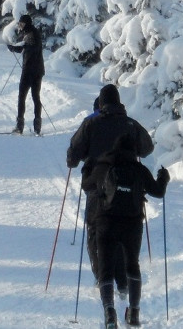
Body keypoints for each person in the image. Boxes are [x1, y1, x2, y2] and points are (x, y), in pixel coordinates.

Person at [66, 84, 155, 318]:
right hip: (128, 189)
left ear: (101, 103)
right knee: (125, 232)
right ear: (119, 102)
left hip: (97, 187)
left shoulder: (91, 124)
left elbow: (73, 155)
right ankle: (123, 282)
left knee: (97, 232)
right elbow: (147, 148)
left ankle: (101, 279)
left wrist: (76, 160)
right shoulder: (131, 125)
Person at [83, 135, 169, 328]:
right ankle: (134, 312)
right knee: (132, 265)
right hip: (132, 224)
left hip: (106, 222)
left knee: (105, 268)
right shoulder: (139, 169)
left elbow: (86, 186)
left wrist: (87, 169)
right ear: (134, 151)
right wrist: (164, 178)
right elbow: (158, 192)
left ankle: (109, 313)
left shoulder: (104, 166)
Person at [7, 14, 45, 134]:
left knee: (26, 97)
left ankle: (25, 126)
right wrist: (13, 48)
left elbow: (33, 48)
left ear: (26, 23)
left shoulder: (33, 33)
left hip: (32, 71)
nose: (20, 25)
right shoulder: (29, 33)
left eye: (22, 23)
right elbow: (25, 47)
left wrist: (20, 47)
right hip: (35, 70)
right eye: (20, 23)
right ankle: (33, 127)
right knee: (32, 97)